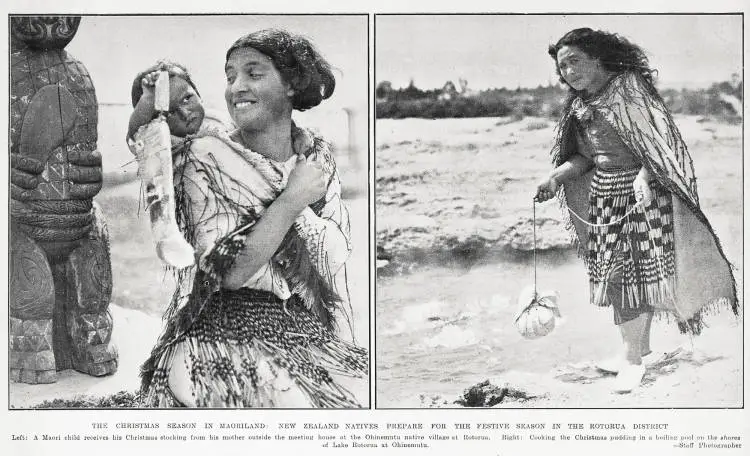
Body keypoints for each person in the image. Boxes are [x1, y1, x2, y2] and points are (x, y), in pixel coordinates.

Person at [138, 29, 367, 408]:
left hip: (302, 326)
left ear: (291, 83)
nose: (235, 88)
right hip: (223, 333)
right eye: (230, 77)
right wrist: (293, 200)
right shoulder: (206, 156)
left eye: (253, 74)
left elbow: (335, 261)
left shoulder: (315, 155)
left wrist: (305, 208)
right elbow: (229, 272)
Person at [535, 28, 737, 393]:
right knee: (622, 278)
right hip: (605, 196)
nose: (568, 71)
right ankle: (637, 348)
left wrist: (644, 179)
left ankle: (632, 361)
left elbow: (659, 148)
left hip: (643, 195)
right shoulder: (580, 104)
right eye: (562, 66)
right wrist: (556, 177)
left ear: (598, 58)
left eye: (575, 61)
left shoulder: (629, 90)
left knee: (626, 276)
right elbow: (585, 157)